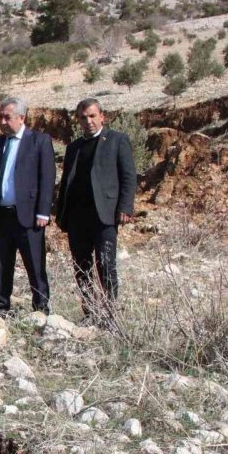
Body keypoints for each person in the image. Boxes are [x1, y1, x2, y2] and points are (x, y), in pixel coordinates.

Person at [56, 97, 136, 320]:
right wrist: (60, 214)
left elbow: (128, 176)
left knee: (106, 264)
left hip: (105, 215)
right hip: (77, 218)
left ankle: (110, 315)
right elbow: (66, 183)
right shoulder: (74, 148)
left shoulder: (117, 140)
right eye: (83, 117)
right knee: (82, 268)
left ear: (102, 116)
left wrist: (126, 207)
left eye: (92, 116)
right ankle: (90, 313)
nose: (88, 121)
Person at [0, 97, 55, 314]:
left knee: (35, 263)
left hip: (29, 216)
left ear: (22, 118)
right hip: (1, 215)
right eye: (0, 116)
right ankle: (0, 307)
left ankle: (41, 308)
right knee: (1, 264)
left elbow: (47, 178)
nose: (2, 121)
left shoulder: (39, 141)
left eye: (7, 117)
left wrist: (43, 211)